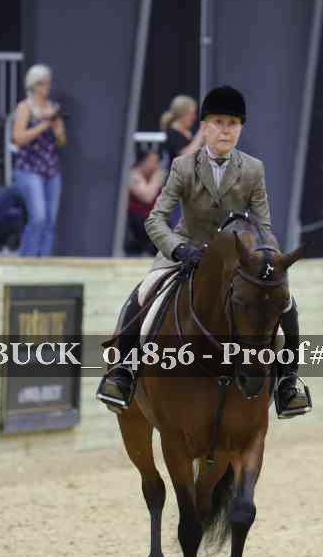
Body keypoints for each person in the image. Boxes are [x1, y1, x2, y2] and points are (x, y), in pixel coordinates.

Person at [97, 85, 311, 418]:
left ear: (240, 129)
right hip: (188, 249)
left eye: (232, 123)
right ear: (205, 127)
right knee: (143, 294)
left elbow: (264, 226)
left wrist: (266, 261)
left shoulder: (253, 169)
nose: (225, 130)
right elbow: (155, 219)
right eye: (218, 122)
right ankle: (122, 373)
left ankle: (287, 384)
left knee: (285, 304)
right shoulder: (183, 166)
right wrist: (178, 249)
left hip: (238, 260)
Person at [12, 64, 66, 256]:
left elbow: (61, 141)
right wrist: (44, 125)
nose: (47, 87)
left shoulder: (52, 108)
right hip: (29, 168)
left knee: (50, 220)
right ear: (34, 85)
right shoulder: (24, 108)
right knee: (38, 217)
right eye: (43, 83)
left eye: (48, 83)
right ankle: (28, 259)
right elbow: (18, 138)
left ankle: (43, 261)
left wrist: (57, 127)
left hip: (51, 170)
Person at [125, 150, 164, 255]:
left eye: (157, 162)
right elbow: (147, 198)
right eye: (152, 161)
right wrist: (156, 180)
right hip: (137, 217)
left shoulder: (153, 177)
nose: (156, 165)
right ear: (142, 162)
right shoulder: (134, 175)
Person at [160, 95, 203, 166]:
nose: (194, 117)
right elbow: (185, 157)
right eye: (192, 114)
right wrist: (201, 133)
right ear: (182, 114)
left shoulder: (191, 131)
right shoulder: (171, 133)